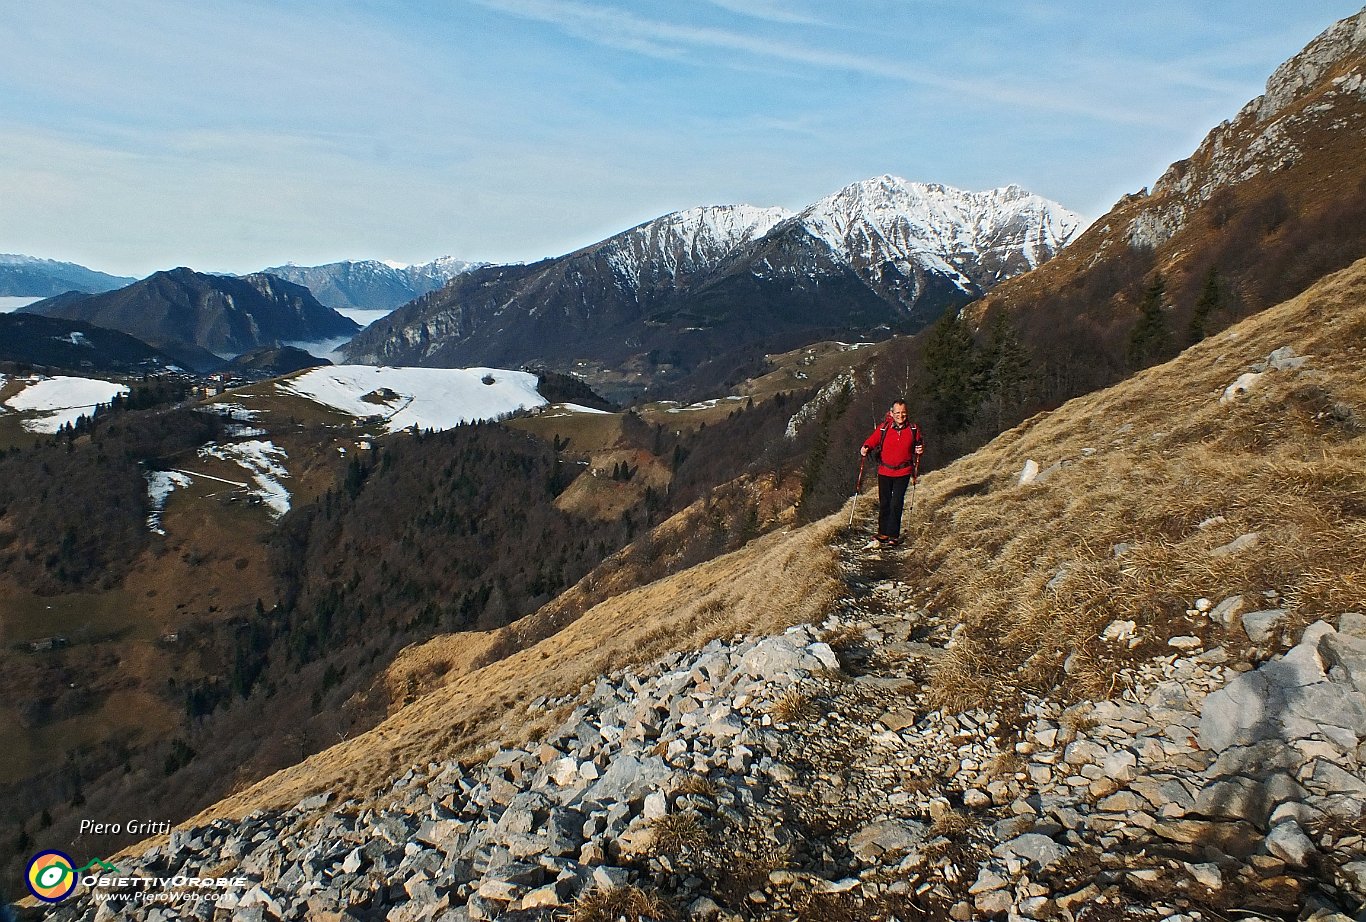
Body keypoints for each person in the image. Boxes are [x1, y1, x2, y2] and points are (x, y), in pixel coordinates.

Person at [859, 400, 924, 546]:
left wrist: (919, 449)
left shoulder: (913, 429)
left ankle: (893, 535)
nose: (900, 416)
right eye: (897, 413)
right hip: (885, 471)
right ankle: (883, 533)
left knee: (896, 502)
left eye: (903, 412)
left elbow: (919, 443)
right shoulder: (884, 428)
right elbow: (872, 440)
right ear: (891, 413)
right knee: (885, 502)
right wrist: (866, 447)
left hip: (903, 471)